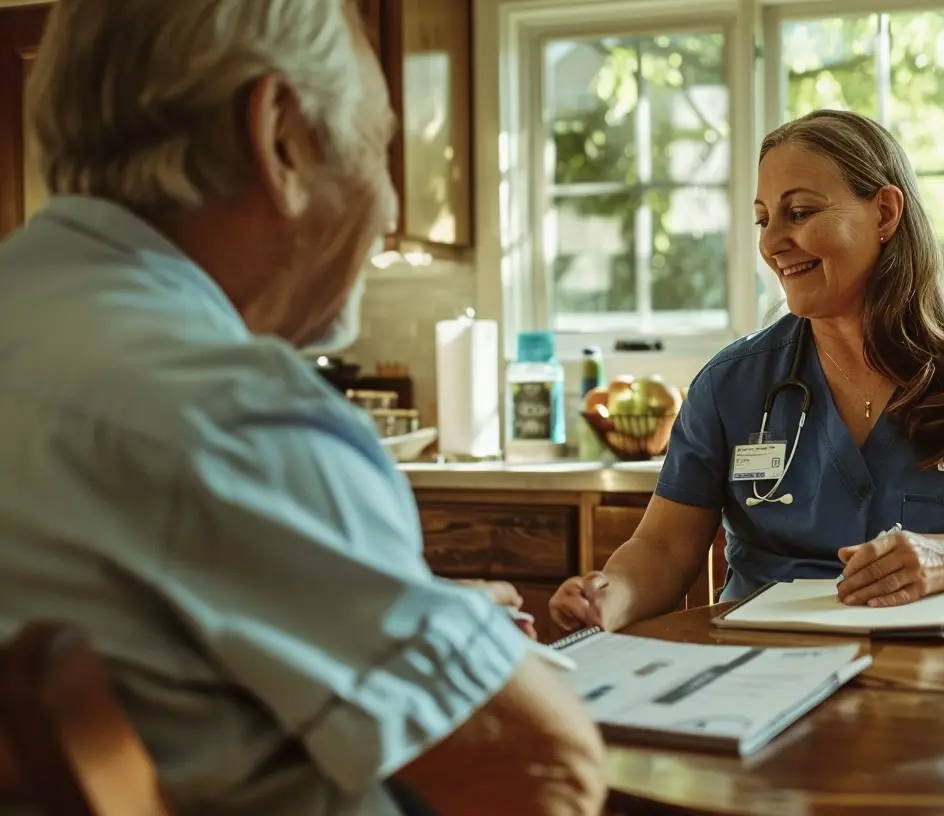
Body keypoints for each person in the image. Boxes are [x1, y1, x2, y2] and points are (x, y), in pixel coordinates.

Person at [0, 2, 603, 815]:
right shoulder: (226, 410)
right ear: (279, 136)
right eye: (379, 146)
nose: (390, 202)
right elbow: (541, 776)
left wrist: (437, 620)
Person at [551, 109, 944, 633]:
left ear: (885, 213)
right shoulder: (730, 386)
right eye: (763, 219)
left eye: (799, 212)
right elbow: (663, 548)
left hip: (934, 666)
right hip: (763, 665)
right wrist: (610, 598)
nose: (770, 242)